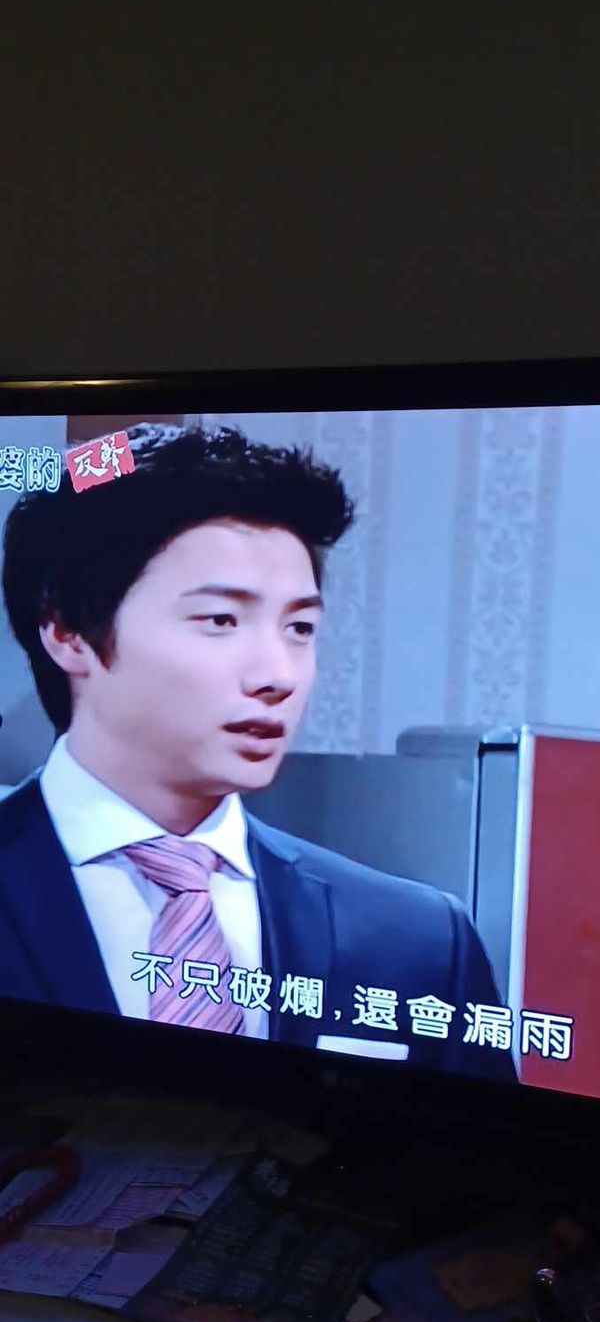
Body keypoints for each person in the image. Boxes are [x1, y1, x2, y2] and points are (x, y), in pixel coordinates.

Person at [0, 423, 515, 1081]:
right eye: (220, 620)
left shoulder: (417, 939)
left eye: (299, 627)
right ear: (68, 632)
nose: (278, 675)